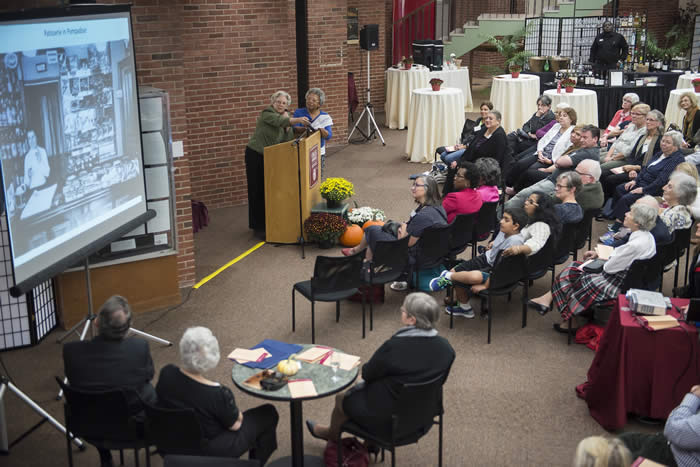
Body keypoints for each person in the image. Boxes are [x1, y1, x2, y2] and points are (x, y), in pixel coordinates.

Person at [305, 292, 455, 442]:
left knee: (342, 398)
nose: (401, 311)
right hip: (424, 413)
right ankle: (370, 445)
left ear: (411, 320)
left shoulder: (395, 347)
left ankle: (332, 435)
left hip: (389, 420)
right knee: (383, 385)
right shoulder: (447, 349)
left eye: (403, 310)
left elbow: (368, 373)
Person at [156, 327, 279, 464]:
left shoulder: (166, 372)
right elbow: (236, 425)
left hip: (171, 442)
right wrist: (236, 413)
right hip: (208, 451)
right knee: (268, 413)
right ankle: (255, 463)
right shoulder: (217, 393)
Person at [528, 203, 656, 330]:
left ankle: (570, 319)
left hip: (615, 283)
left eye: (630, 213)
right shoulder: (647, 237)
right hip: (625, 279)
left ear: (637, 222)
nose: (626, 214)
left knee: (575, 274)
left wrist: (602, 258)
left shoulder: (635, 245)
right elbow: (620, 258)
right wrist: (601, 255)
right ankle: (549, 302)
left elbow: (608, 268)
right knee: (575, 267)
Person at [63, 295, 157, 467]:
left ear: (97, 322)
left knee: (95, 399)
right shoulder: (139, 347)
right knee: (151, 392)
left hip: (87, 425)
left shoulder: (71, 351)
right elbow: (149, 375)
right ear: (128, 327)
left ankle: (105, 455)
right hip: (132, 426)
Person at [341, 176, 447, 290]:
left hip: (413, 255)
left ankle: (366, 265)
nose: (412, 188)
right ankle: (363, 258)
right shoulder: (437, 207)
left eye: (417, 185)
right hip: (430, 252)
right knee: (379, 229)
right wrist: (404, 228)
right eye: (413, 185)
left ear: (427, 189)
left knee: (372, 230)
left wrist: (404, 228)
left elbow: (406, 243)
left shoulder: (423, 216)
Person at [428, 207, 528, 318]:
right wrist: (493, 243)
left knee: (466, 277)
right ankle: (456, 296)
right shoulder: (505, 229)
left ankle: (452, 284)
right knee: (455, 271)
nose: (501, 221)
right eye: (503, 218)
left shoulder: (515, 242)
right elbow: (499, 242)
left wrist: (485, 286)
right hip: (487, 258)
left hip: (495, 270)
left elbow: (499, 269)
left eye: (506, 219)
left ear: (516, 226)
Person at [245, 91, 310, 237]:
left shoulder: (286, 118)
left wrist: (292, 129)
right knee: (256, 190)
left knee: (267, 190)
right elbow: (278, 121)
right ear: (273, 102)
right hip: (255, 155)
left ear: (287, 106)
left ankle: (268, 224)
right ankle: (257, 227)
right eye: (278, 102)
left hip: (270, 157)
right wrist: (296, 120)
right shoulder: (267, 113)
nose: (280, 105)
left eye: (284, 103)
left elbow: (286, 141)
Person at [505, 126, 603, 212]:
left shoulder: (589, 153)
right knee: (524, 186)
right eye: (581, 137)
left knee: (523, 194)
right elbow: (559, 161)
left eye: (585, 137)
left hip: (558, 184)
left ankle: (500, 214)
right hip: (553, 177)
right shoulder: (584, 149)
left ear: (595, 139)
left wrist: (559, 161)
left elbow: (559, 162)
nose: (581, 140)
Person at [607, 131, 686, 232]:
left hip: (654, 189)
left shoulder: (676, 159)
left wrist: (644, 190)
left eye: (668, 142)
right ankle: (622, 219)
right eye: (663, 141)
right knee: (620, 189)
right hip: (642, 182)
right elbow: (645, 168)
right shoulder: (660, 153)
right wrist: (635, 181)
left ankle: (617, 226)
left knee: (627, 198)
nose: (663, 144)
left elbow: (661, 181)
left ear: (676, 146)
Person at [619, 384, 700, 466]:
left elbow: (673, 429)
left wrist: (695, 395)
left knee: (616, 459)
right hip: (668, 443)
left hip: (674, 458)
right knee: (618, 442)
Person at [508, 107, 576, 193]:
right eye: (560, 115)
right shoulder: (556, 126)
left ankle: (517, 190)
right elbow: (544, 139)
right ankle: (508, 185)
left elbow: (566, 152)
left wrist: (551, 161)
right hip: (541, 153)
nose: (561, 117)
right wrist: (540, 151)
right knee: (520, 163)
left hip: (551, 159)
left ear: (571, 119)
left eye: (564, 116)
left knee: (530, 170)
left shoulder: (572, 132)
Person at [599, 109, 664, 200]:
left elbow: (654, 162)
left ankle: (609, 202)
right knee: (603, 173)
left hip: (643, 170)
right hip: (631, 167)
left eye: (651, 120)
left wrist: (635, 168)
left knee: (611, 179)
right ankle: (603, 202)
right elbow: (632, 156)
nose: (648, 122)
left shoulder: (660, 141)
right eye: (647, 119)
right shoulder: (643, 137)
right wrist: (631, 167)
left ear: (659, 123)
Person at [599, 196, 671, 248]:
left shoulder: (649, 235)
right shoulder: (650, 221)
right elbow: (626, 239)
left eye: (632, 212)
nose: (626, 213)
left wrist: (606, 251)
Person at [436, 101, 493, 166]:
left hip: (472, 149)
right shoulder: (479, 120)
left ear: (490, 111)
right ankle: (455, 169)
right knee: (443, 155)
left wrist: (465, 146)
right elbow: (471, 135)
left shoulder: (488, 125)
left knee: (448, 158)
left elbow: (478, 142)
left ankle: (457, 168)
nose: (483, 111)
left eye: (485, 110)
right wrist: (462, 144)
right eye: (481, 109)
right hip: (466, 144)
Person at [293, 88, 333, 176]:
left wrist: (322, 131)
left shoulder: (325, 117)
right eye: (308, 99)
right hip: (302, 150)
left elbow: (329, 136)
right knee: (302, 176)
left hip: (318, 152)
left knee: (316, 177)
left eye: (314, 100)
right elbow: (294, 130)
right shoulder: (299, 112)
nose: (310, 101)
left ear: (319, 104)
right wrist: (307, 128)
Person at [600, 103, 649, 171]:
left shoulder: (644, 131)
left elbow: (629, 151)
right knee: (592, 158)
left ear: (646, 116)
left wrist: (612, 158)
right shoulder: (631, 126)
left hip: (624, 159)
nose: (633, 116)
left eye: (637, 114)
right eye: (632, 113)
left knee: (600, 167)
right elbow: (617, 141)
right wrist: (608, 156)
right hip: (613, 153)